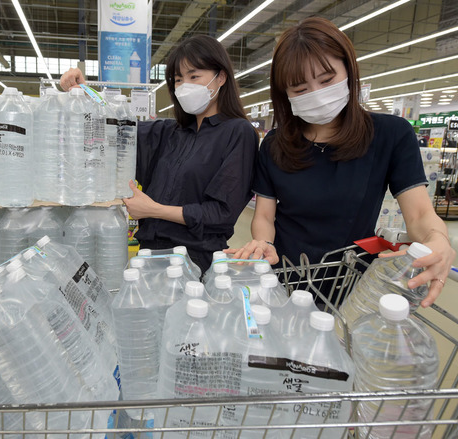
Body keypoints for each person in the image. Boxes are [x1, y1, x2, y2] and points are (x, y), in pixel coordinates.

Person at [226, 17, 454, 307]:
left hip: (349, 285)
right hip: (281, 279)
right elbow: (264, 216)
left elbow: (420, 214)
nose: (317, 94)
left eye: (326, 80)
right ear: (285, 94)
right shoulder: (274, 144)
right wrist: (264, 243)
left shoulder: (390, 135)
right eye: (300, 89)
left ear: (348, 69)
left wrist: (439, 240)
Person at [61, 35, 258, 274]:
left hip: (194, 263)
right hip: (148, 258)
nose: (185, 86)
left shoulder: (238, 132)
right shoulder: (167, 132)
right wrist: (84, 92)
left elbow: (222, 213)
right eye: (178, 80)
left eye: (194, 76)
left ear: (221, 77)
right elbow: (115, 125)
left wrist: (154, 210)